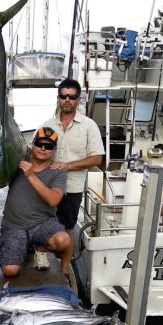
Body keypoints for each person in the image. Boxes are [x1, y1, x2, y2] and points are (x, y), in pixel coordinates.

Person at [38, 78, 104, 280]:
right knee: (42, 223)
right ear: (58, 98)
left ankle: (64, 271)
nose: (67, 100)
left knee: (68, 227)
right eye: (63, 96)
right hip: (48, 187)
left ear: (79, 99)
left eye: (72, 97)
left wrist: (67, 165)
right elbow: (35, 152)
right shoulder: (47, 124)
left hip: (72, 187)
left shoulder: (89, 126)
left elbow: (97, 158)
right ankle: (41, 260)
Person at [0, 127, 71, 278]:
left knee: (63, 240)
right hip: (14, 225)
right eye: (39, 143)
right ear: (33, 144)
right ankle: (26, 246)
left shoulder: (58, 171)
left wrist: (31, 175)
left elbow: (53, 200)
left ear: (54, 150)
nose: (43, 148)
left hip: (42, 223)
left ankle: (40, 245)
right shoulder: (17, 162)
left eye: (49, 146)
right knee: (10, 271)